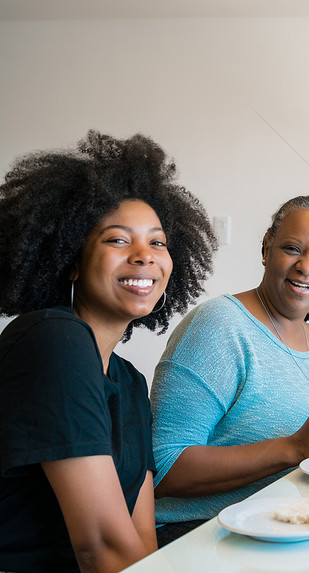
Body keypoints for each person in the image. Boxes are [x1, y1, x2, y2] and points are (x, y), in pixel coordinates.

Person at [0, 131, 217, 572]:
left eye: (157, 242)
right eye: (118, 240)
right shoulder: (51, 339)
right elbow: (102, 548)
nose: (144, 256)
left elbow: (140, 540)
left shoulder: (130, 383)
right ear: (72, 259)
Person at [150, 196, 309, 545]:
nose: (308, 267)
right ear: (267, 248)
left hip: (288, 526)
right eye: (293, 248)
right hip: (204, 534)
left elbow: (296, 428)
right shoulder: (219, 325)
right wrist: (293, 447)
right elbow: (164, 467)